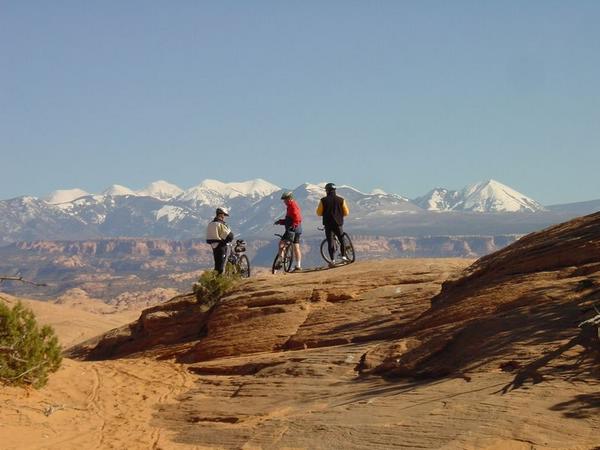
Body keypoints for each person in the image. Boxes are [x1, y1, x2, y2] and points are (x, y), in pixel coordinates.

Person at [316, 182, 350, 267]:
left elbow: (319, 213)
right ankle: (344, 257)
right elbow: (346, 212)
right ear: (335, 190)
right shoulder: (341, 200)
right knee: (342, 240)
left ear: (327, 191)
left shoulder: (323, 200)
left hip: (328, 224)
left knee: (330, 242)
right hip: (338, 223)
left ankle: (332, 260)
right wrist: (339, 214)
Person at [274, 191, 303, 272]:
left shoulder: (292, 206)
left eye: (285, 200)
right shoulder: (293, 205)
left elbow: (297, 217)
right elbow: (289, 220)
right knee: (296, 246)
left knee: (281, 244)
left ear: (290, 199)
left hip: (292, 230)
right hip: (298, 229)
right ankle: (298, 265)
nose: (284, 202)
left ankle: (280, 261)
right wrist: (281, 222)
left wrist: (293, 225)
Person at [206, 207, 234, 274]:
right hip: (221, 246)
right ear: (221, 214)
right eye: (224, 215)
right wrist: (228, 239)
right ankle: (218, 281)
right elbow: (229, 236)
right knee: (221, 266)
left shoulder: (210, 224)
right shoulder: (220, 224)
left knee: (217, 264)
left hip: (214, 246)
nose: (224, 217)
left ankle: (214, 281)